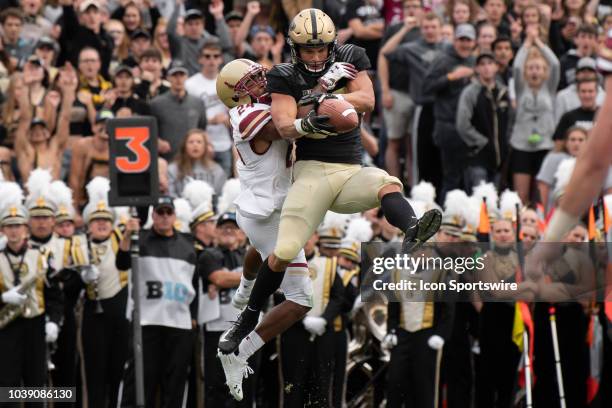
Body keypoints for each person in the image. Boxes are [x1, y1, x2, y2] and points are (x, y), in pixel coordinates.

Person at [217, 9, 441, 400]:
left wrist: (326, 97)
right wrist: (323, 102)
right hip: (267, 202)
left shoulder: (345, 58)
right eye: (250, 82)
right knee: (293, 275)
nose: (260, 81)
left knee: (387, 182)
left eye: (258, 75)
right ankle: (243, 328)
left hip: (295, 189)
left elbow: (365, 99)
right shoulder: (245, 112)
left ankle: (411, 229)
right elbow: (283, 123)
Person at [118, 197, 198, 407]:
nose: (163, 217)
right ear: (152, 215)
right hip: (146, 322)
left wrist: (194, 316)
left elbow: (194, 281)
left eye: (167, 213)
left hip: (179, 324)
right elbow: (122, 262)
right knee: (139, 383)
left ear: (174, 216)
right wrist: (127, 234)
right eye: (159, 212)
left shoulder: (188, 244)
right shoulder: (140, 238)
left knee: (174, 386)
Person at [0, 182, 63, 397]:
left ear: (25, 229)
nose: (14, 230)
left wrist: (54, 321)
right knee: (7, 386)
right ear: (2, 230)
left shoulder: (43, 256)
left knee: (36, 385)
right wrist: (2, 297)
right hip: (7, 326)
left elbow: (54, 294)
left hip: (35, 324)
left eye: (18, 225)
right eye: (9, 226)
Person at [80, 177, 129, 408]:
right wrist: (81, 279)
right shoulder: (78, 244)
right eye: (96, 220)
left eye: (105, 220)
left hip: (120, 315)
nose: (101, 224)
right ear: (88, 224)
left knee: (117, 371)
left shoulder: (121, 239)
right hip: (92, 316)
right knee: (94, 373)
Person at [423, 23, 476, 198]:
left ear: (474, 42)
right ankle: (446, 219)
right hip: (448, 127)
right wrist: (451, 77)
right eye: (461, 40)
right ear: (454, 41)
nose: (465, 44)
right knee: (451, 178)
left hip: (470, 129)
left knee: (470, 178)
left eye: (468, 40)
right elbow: (426, 87)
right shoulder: (443, 60)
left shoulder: (475, 61)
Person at [510, 24, 560, 203]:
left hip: (545, 144)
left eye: (538, 68)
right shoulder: (521, 88)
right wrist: (526, 43)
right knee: (521, 196)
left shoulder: (550, 88)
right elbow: (516, 67)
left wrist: (538, 42)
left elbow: (554, 63)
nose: (534, 72)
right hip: (522, 145)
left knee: (542, 197)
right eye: (531, 68)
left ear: (544, 72)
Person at [456, 51, 512, 191]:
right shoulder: (470, 92)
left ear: (496, 67)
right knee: (479, 200)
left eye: (490, 63)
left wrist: (506, 143)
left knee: (495, 203)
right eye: (482, 64)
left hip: (500, 158)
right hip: (478, 157)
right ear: (476, 69)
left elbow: (511, 121)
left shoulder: (504, 92)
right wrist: (482, 142)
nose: (486, 67)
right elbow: (462, 124)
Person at [14, 64, 75, 181]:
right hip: (30, 197)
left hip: (53, 196)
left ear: (48, 132)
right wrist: (26, 86)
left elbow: (65, 118)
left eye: (42, 128)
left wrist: (68, 91)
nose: (38, 131)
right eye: (34, 129)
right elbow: (25, 119)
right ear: (28, 133)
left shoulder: (55, 147)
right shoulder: (24, 149)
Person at [185, 40, 233, 176]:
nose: (211, 60)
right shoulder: (190, 84)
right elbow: (188, 116)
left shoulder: (228, 82)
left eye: (216, 56)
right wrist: (211, 120)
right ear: (200, 59)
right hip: (200, 144)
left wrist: (230, 116)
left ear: (221, 59)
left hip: (224, 142)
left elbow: (236, 111)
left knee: (224, 185)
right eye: (207, 56)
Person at [150, 60, 208, 160]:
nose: (178, 79)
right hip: (167, 158)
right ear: (168, 78)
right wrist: (157, 141)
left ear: (186, 77)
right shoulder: (156, 104)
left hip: (192, 159)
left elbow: (201, 129)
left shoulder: (198, 103)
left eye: (181, 75)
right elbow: (150, 131)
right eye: (174, 75)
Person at [166, 2, 233, 75]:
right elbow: (170, 31)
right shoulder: (179, 43)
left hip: (208, 80)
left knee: (227, 56)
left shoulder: (210, 41)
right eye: (190, 24)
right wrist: (178, 6)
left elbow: (226, 45)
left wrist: (218, 16)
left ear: (203, 25)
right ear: (184, 26)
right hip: (186, 82)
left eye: (197, 23)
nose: (194, 27)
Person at [167, 129, 227, 197]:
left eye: (199, 142)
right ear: (184, 146)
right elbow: (171, 194)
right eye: (191, 142)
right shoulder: (173, 169)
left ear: (205, 146)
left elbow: (220, 195)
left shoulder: (216, 170)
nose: (195, 145)